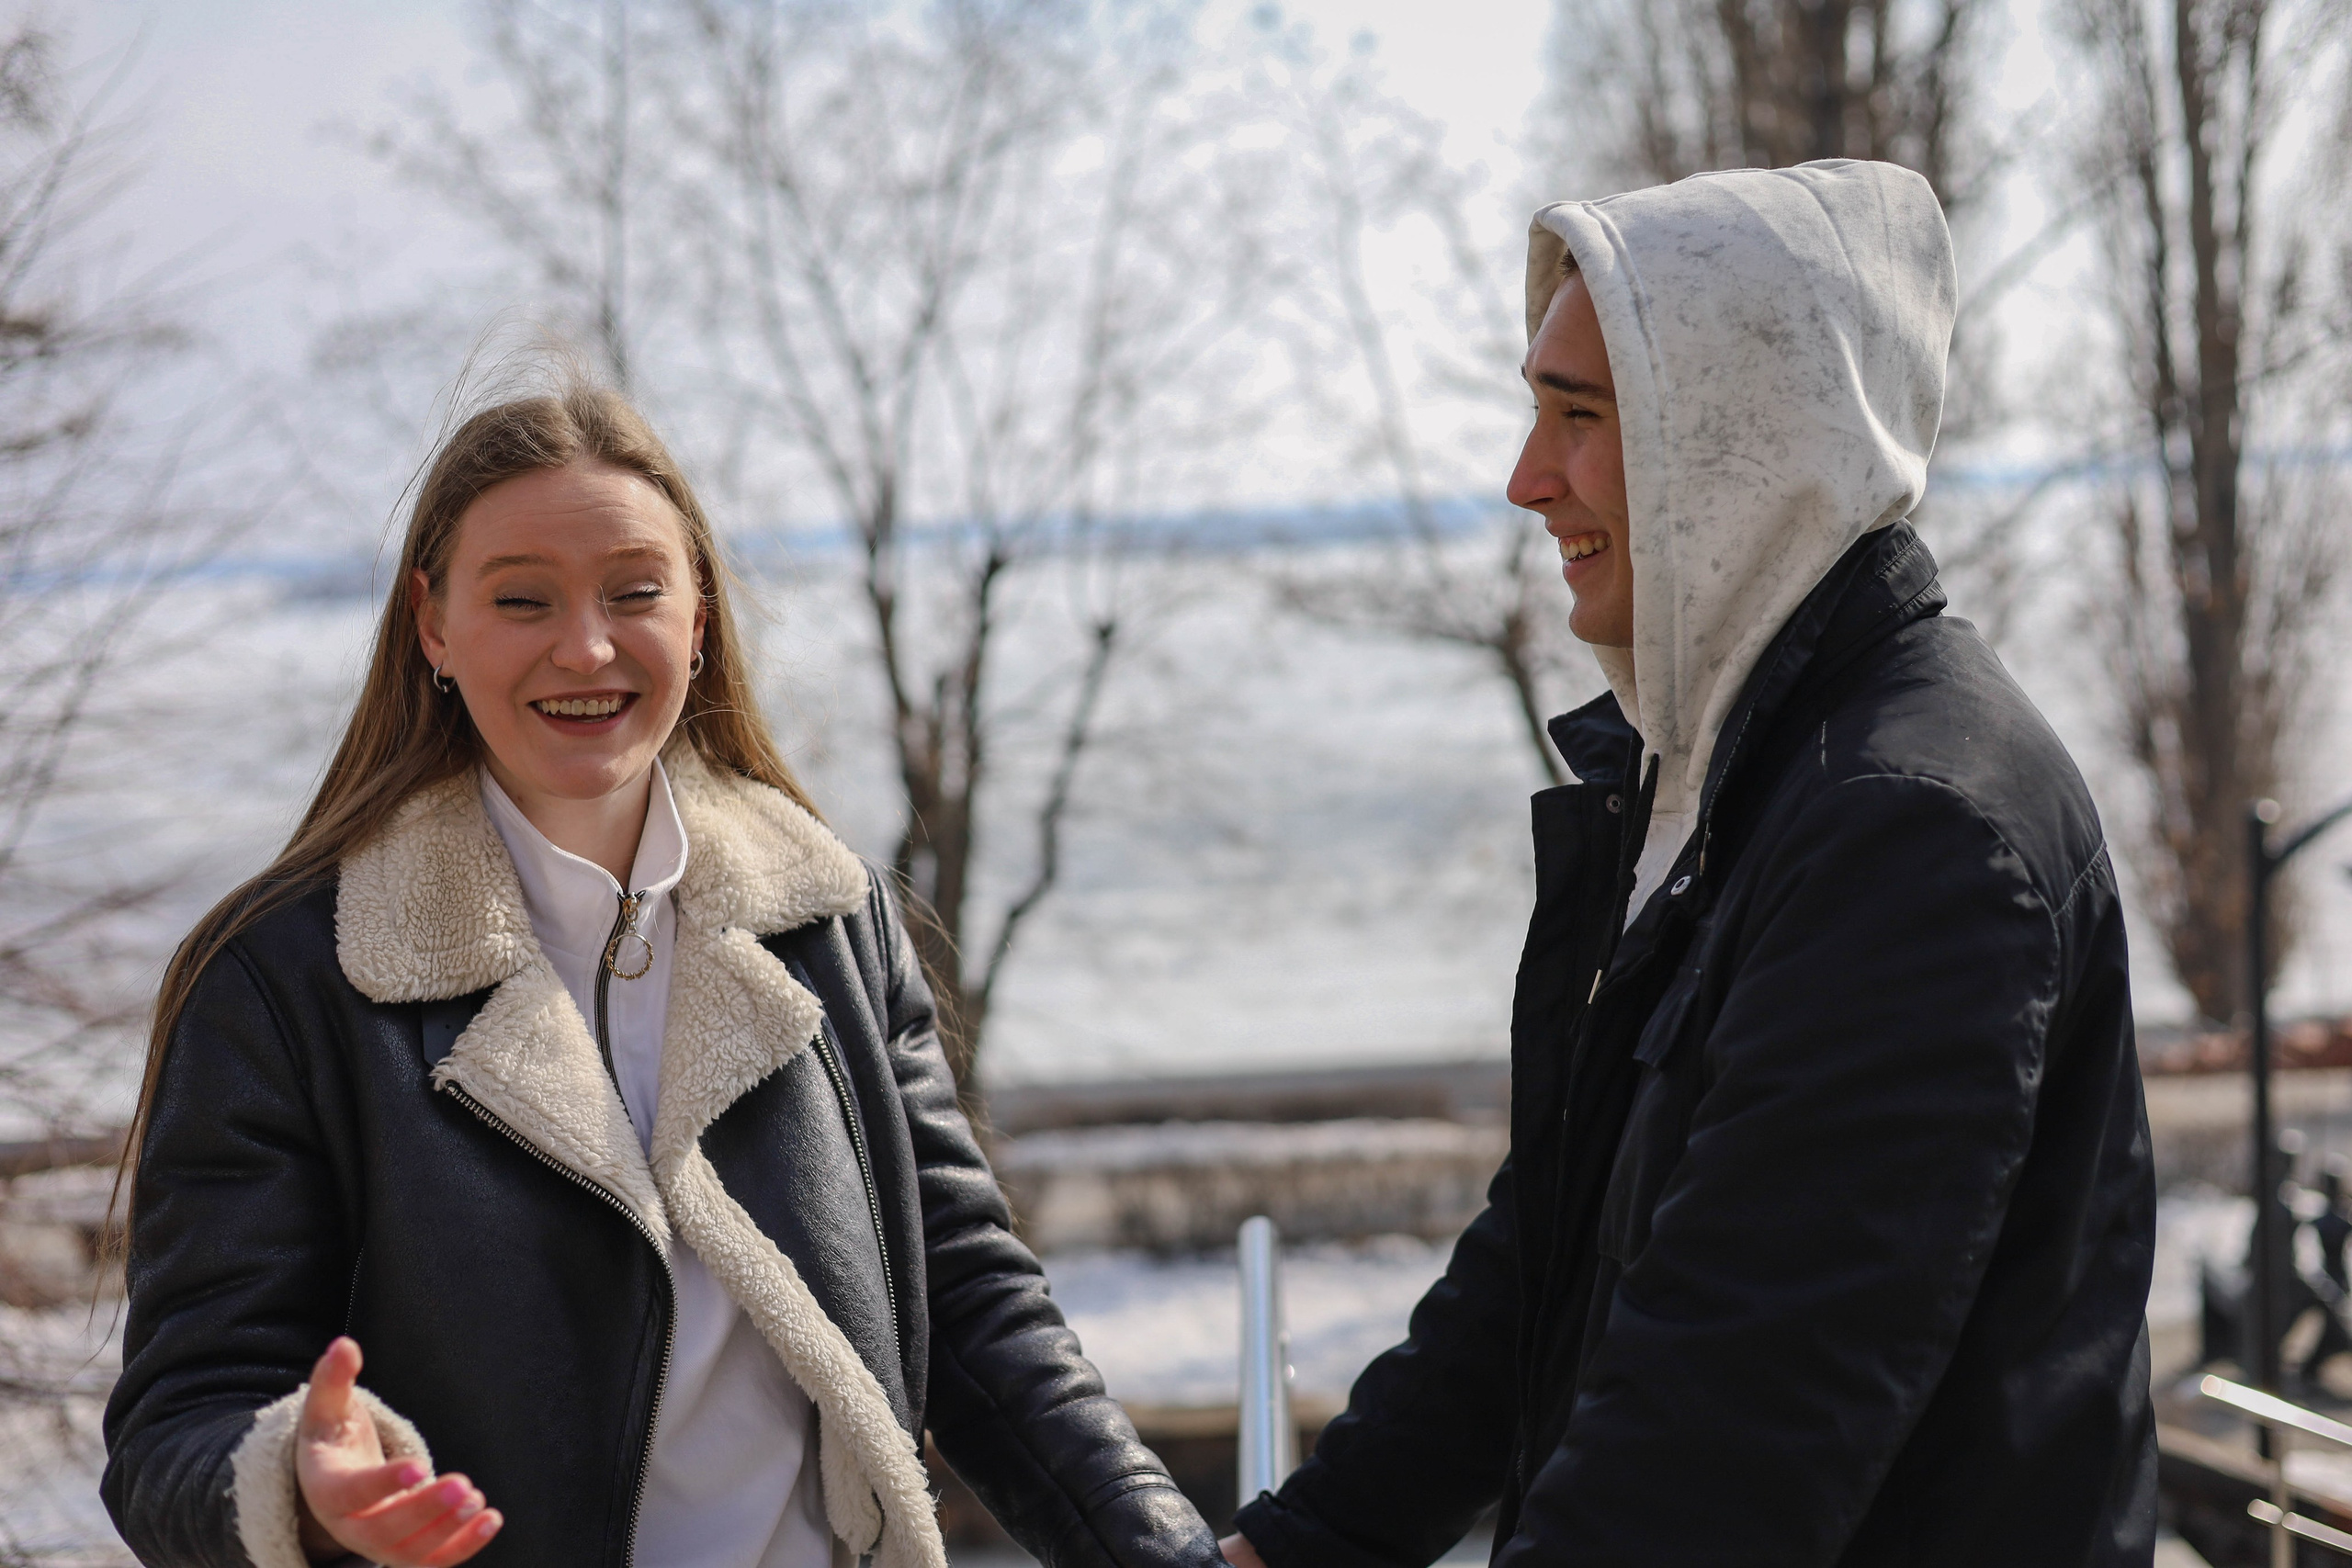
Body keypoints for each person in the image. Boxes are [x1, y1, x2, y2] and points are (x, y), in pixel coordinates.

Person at [102, 383, 1223, 1568]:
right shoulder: (283, 979)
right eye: (521, 598)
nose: (585, 648)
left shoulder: (833, 919)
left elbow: (975, 1310)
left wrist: (1168, 1552)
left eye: (635, 592)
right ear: (431, 623)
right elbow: (180, 1425)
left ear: (697, 617)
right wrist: (302, 1486)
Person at [1223, 161, 2155, 1565]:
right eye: (1534, 410)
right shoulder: (1736, 774)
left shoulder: (1909, 831)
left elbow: (1722, 1448)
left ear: (1743, 436)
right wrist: (1300, 1546)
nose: (1529, 480)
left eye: (1584, 418)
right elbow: (1549, 1245)